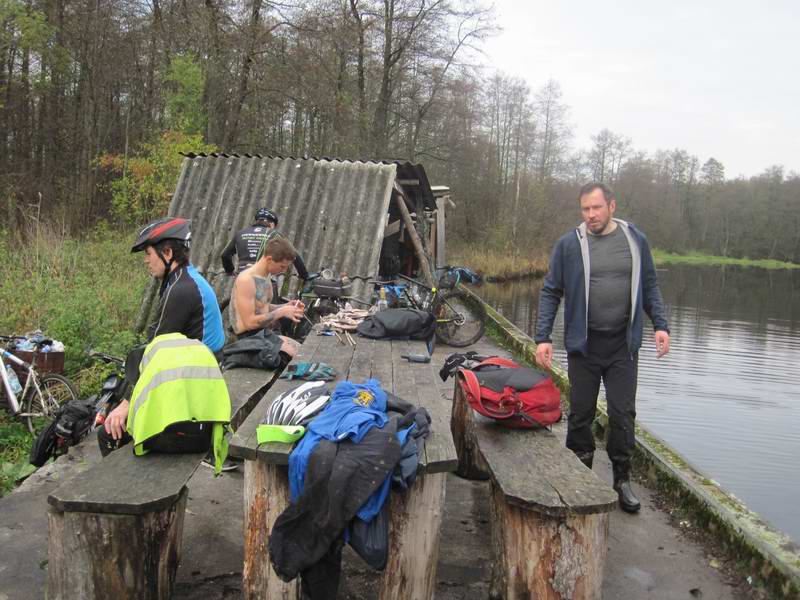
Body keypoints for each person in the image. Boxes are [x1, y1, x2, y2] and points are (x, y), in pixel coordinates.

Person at [534, 182, 670, 513]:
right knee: (581, 414)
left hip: (623, 346)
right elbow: (551, 291)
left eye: (596, 207)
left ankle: (622, 480)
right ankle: (579, 477)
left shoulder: (635, 240)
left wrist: (661, 326)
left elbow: (649, 284)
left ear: (612, 205)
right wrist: (543, 337)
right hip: (585, 346)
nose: (591, 215)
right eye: (585, 209)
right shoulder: (569, 245)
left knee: (623, 415)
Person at [100, 217, 228, 462]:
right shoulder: (185, 279)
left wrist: (126, 404)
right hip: (200, 389)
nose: (146, 260)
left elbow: (154, 352)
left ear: (168, 252)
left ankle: (130, 494)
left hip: (193, 406)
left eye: (148, 253)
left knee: (109, 433)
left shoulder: (180, 290)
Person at [229, 236, 305, 365]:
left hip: (263, 335)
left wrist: (285, 306)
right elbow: (249, 323)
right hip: (247, 338)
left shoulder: (266, 276)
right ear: (269, 259)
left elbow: (262, 307)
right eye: (282, 266)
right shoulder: (246, 280)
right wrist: (281, 313)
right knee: (296, 358)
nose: (284, 271)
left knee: (303, 353)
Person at [221, 207, 309, 280]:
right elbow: (294, 255)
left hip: (242, 276)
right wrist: (304, 276)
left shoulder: (240, 233)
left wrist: (230, 271)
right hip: (263, 278)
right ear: (271, 224)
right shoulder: (274, 234)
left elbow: (225, 255)